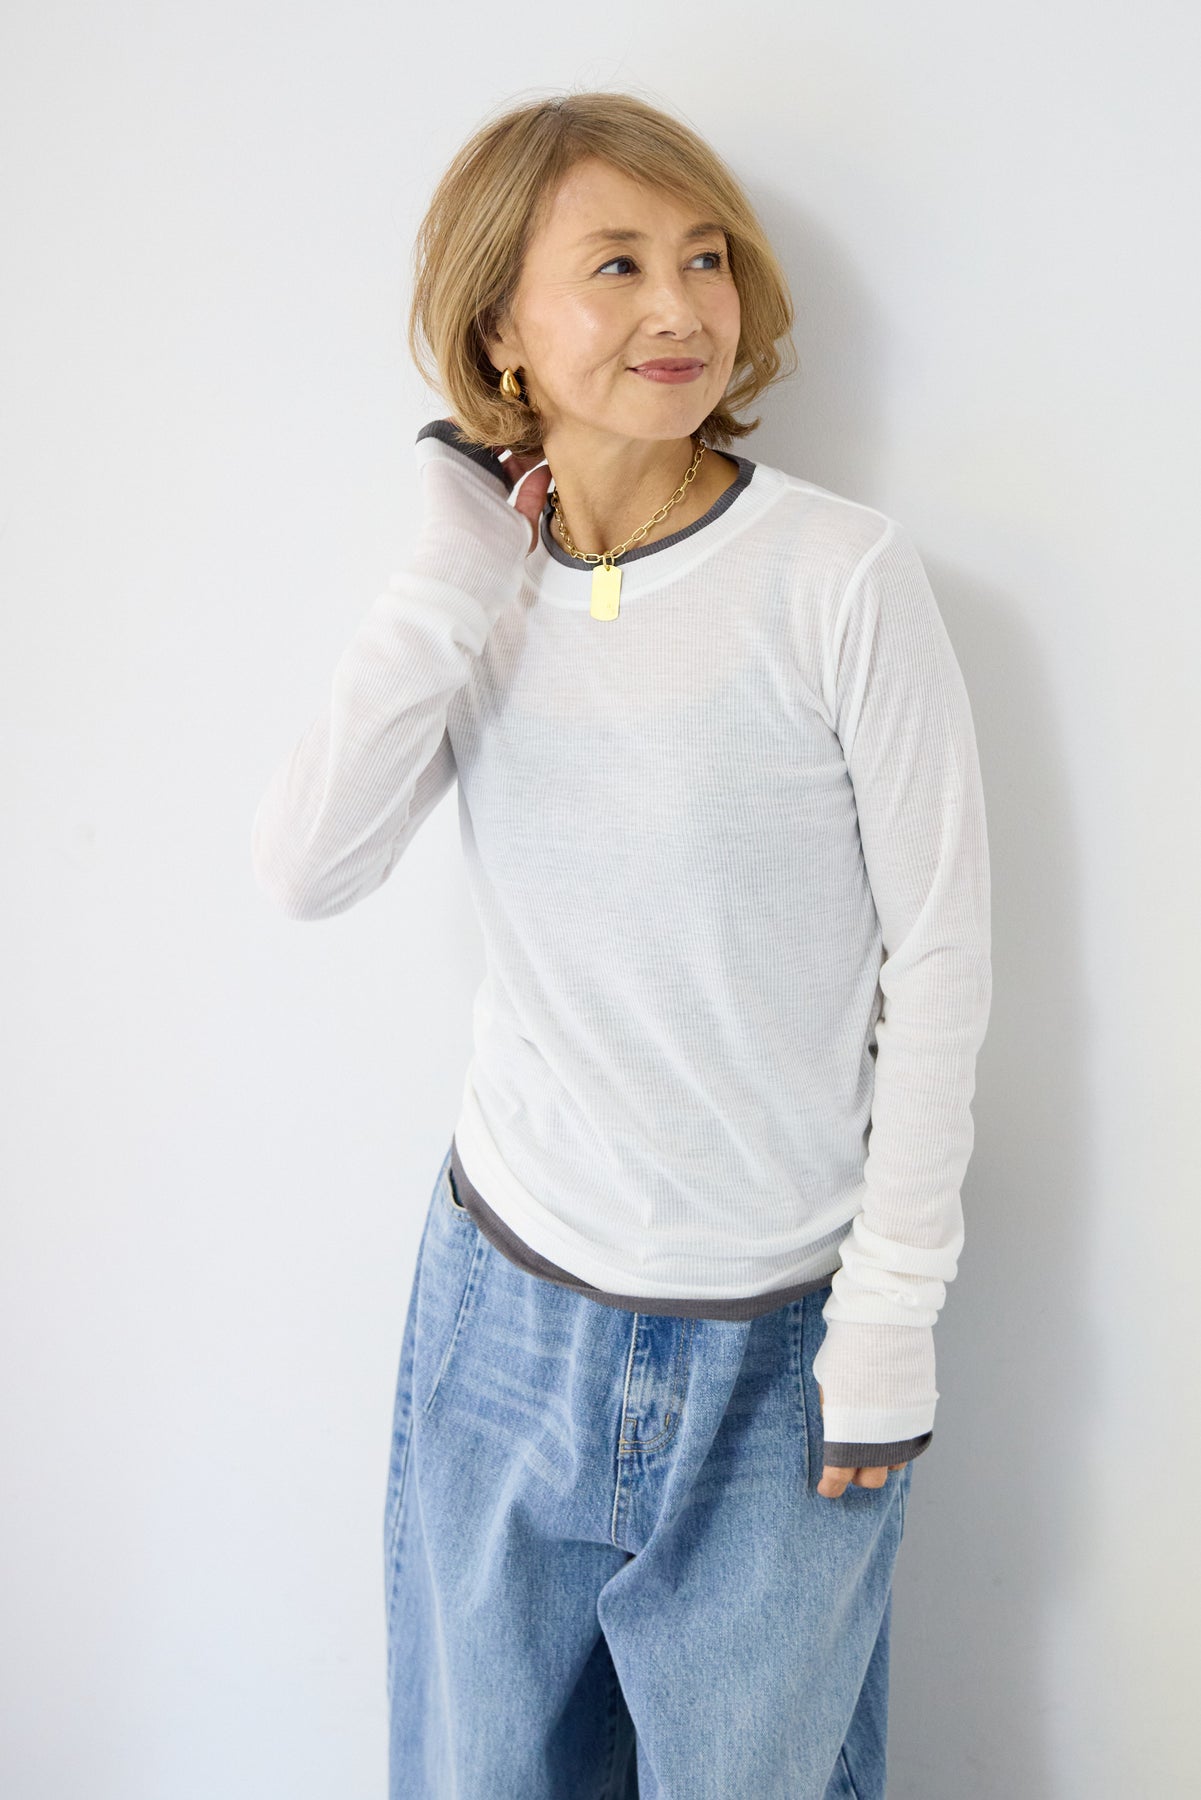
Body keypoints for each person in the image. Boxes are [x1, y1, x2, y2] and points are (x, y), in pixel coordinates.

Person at [251, 90, 992, 1800]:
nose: (679, 307)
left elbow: (942, 964)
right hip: (504, 1312)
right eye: (615, 265)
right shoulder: (476, 594)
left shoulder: (838, 575)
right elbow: (306, 868)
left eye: (703, 259)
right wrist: (451, 572)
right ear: (498, 328)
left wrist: (889, 1317)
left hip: (778, 1351)